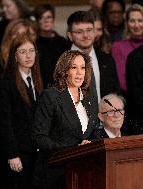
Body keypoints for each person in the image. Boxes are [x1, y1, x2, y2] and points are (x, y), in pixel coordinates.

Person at [31, 50, 99, 189]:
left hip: (82, 172)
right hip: (54, 173)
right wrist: (72, 149)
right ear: (64, 70)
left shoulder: (89, 97)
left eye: (83, 67)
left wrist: (90, 144)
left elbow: (92, 132)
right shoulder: (51, 96)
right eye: (74, 67)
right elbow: (39, 137)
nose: (80, 72)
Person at [0, 33, 43, 189]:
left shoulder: (38, 79)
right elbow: (4, 121)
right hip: (19, 152)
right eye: (23, 52)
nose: (28, 56)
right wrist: (12, 154)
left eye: (31, 50)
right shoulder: (6, 82)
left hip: (37, 150)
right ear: (15, 57)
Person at [67, 10, 120, 116]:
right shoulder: (62, 63)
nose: (85, 35)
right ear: (70, 35)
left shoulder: (107, 59)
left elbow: (115, 94)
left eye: (89, 30)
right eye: (79, 32)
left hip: (105, 123)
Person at [111, 4, 143, 97]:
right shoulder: (118, 47)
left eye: (140, 20)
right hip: (129, 98)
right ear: (127, 23)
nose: (136, 25)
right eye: (132, 21)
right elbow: (121, 81)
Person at [34, 4, 69, 88]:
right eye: (41, 18)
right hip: (39, 88)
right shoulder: (33, 43)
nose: (46, 21)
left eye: (48, 17)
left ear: (53, 19)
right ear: (37, 21)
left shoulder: (63, 42)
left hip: (60, 88)